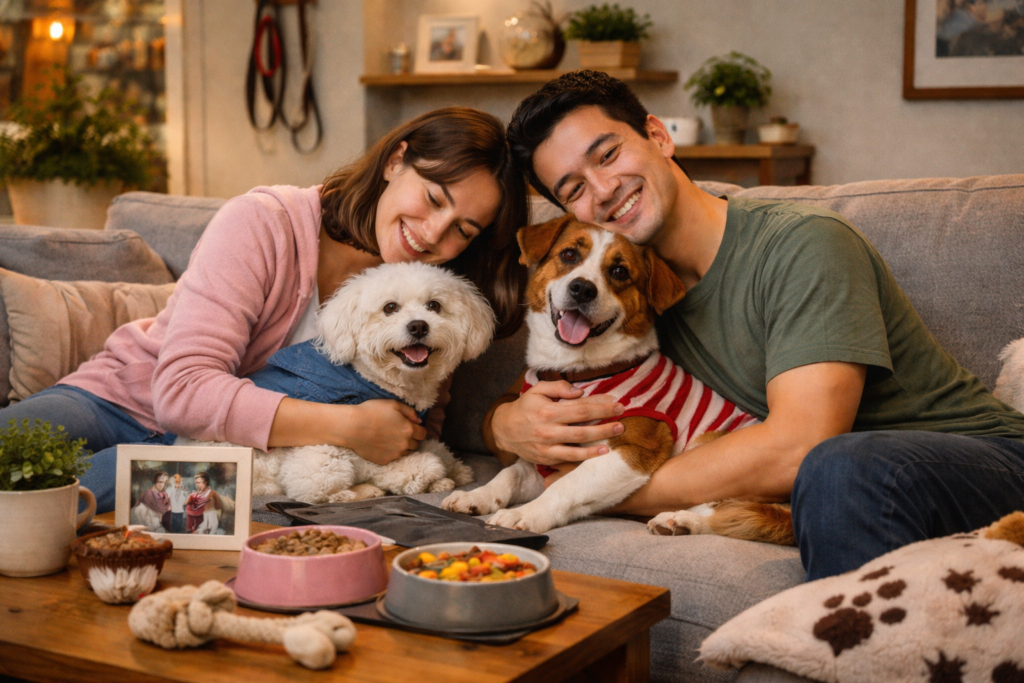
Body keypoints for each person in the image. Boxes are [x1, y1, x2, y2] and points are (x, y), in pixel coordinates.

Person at [495, 70, 1024, 580]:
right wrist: (503, 426)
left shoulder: (805, 243)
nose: (604, 189)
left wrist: (575, 489)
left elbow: (798, 449)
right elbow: (576, 401)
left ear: (658, 136)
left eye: (608, 154)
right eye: (574, 188)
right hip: (840, 492)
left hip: (989, 465)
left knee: (835, 470)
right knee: (834, 476)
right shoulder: (630, 299)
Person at [0, 107, 528, 514]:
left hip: (219, 460)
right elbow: (181, 390)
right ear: (396, 161)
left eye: (464, 229)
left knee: (46, 508)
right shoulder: (266, 222)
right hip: (119, 399)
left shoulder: (433, 298)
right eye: (434, 199)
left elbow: (416, 413)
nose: (435, 233)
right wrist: (345, 426)